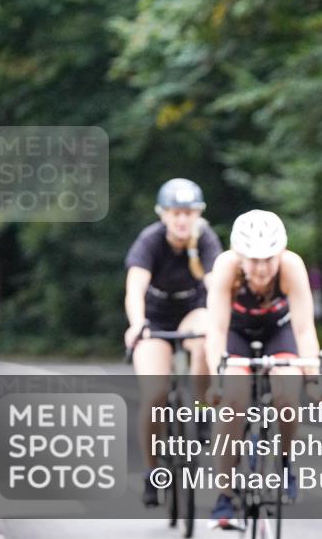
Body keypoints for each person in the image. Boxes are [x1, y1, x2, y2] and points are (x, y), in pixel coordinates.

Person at [205, 209, 322, 530]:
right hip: (236, 333)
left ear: (280, 253)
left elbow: (303, 329)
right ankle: (225, 494)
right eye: (253, 260)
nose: (261, 268)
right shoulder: (226, 267)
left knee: (288, 394)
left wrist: (312, 378)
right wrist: (217, 379)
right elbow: (216, 330)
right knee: (233, 401)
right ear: (240, 256)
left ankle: (284, 461)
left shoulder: (291, 266)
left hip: (278, 332)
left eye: (269, 259)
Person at [124, 178, 222, 507]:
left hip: (193, 310)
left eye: (188, 213)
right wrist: (137, 324)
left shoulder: (206, 239)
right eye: (175, 213)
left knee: (207, 337)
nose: (182, 220)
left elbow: (216, 286)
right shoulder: (150, 241)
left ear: (199, 214)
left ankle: (203, 409)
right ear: (163, 214)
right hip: (155, 317)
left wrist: (222, 323)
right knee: (154, 394)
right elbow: (135, 288)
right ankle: (152, 471)